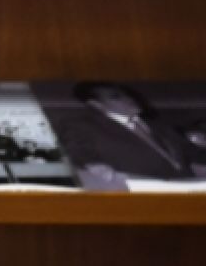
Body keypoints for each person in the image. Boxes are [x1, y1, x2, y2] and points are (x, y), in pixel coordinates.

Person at [61, 81, 192, 189]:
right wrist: (94, 164)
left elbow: (191, 151)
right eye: (116, 96)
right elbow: (76, 150)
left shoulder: (158, 125)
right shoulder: (82, 126)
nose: (129, 99)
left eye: (127, 95)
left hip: (188, 187)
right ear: (96, 104)